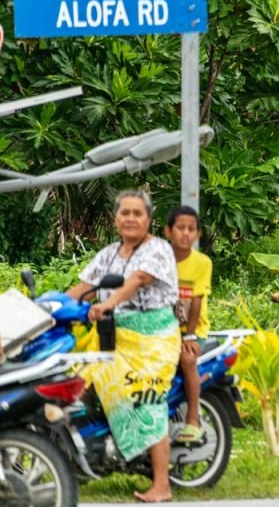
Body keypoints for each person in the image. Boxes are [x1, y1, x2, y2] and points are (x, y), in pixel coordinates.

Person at [72, 191, 180, 503]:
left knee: (146, 398)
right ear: (115, 218)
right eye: (125, 213)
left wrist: (108, 304)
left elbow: (137, 279)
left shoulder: (158, 249)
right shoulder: (108, 254)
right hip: (114, 338)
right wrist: (47, 309)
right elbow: (83, 287)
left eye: (138, 213)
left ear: (149, 219)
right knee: (76, 385)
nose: (131, 218)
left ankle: (162, 484)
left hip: (154, 340)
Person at [164, 205, 213, 443]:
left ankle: (193, 419)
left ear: (197, 234)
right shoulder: (160, 259)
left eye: (190, 229)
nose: (185, 233)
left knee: (187, 359)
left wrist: (190, 336)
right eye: (180, 228)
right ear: (168, 231)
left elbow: (196, 300)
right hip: (163, 328)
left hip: (192, 330)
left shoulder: (202, 263)